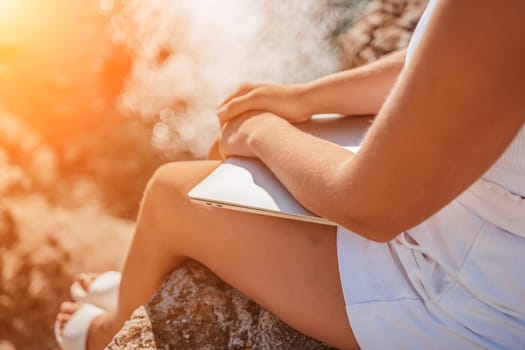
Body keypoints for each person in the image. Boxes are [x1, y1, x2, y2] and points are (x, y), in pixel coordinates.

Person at [55, 1, 525, 349]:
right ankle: (151, 277)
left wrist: (261, 130)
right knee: (232, 150)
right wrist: (307, 98)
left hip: (472, 298)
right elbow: (454, 61)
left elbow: (371, 206)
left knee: (171, 196)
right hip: (483, 229)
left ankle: (111, 328)